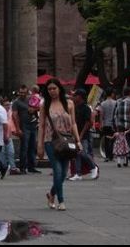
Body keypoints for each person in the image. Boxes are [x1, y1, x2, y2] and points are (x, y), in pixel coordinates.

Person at [38, 79, 82, 211]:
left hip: (66, 141)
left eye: (54, 88)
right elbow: (41, 125)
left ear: (59, 89)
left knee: (63, 173)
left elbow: (73, 123)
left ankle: (51, 194)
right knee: (57, 170)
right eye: (49, 89)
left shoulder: (69, 103)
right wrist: (39, 145)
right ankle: (61, 201)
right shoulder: (45, 105)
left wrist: (78, 140)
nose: (52, 91)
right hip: (50, 141)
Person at [70, 90, 99, 181]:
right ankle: (78, 173)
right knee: (77, 154)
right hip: (76, 133)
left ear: (80, 96)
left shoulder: (86, 108)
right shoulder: (75, 107)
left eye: (75, 95)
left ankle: (93, 167)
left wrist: (81, 134)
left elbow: (88, 122)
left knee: (83, 153)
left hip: (84, 135)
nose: (73, 97)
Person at [11, 85, 39, 174]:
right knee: (24, 147)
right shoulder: (16, 102)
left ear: (27, 92)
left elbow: (38, 107)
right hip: (24, 126)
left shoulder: (30, 99)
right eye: (21, 92)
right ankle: (22, 167)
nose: (22, 94)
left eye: (24, 92)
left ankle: (32, 167)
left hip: (33, 125)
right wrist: (18, 128)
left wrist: (34, 109)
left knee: (32, 146)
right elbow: (14, 115)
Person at [114, 88, 130, 166]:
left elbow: (115, 114)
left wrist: (116, 124)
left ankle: (124, 160)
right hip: (129, 125)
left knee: (122, 142)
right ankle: (129, 155)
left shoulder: (118, 101)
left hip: (120, 125)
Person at [0, 96, 19, 176]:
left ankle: (12, 168)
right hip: (1, 136)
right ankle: (4, 167)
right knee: (2, 153)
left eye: (9, 105)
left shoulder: (10, 113)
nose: (8, 106)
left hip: (9, 135)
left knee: (11, 152)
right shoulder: (0, 113)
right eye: (6, 105)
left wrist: (15, 131)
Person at [98, 89, 117, 162]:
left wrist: (101, 124)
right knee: (113, 140)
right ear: (112, 94)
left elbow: (101, 115)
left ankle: (107, 156)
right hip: (113, 124)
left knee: (106, 140)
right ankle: (111, 156)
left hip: (105, 124)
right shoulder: (115, 102)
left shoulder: (102, 103)